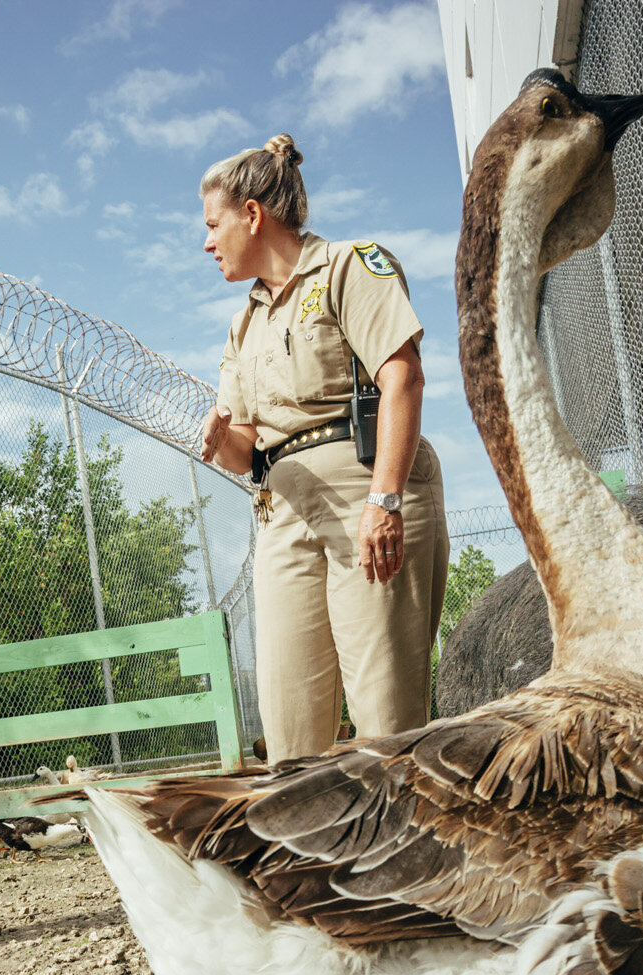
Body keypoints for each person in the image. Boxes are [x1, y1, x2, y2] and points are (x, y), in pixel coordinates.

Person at [198, 134, 450, 762]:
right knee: (288, 734)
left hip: (365, 492)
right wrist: (221, 440)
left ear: (253, 215)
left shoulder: (349, 266)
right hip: (283, 510)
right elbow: (246, 450)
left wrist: (384, 500)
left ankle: (399, 854)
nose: (206, 242)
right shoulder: (243, 322)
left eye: (212, 225)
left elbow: (403, 379)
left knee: (385, 723)